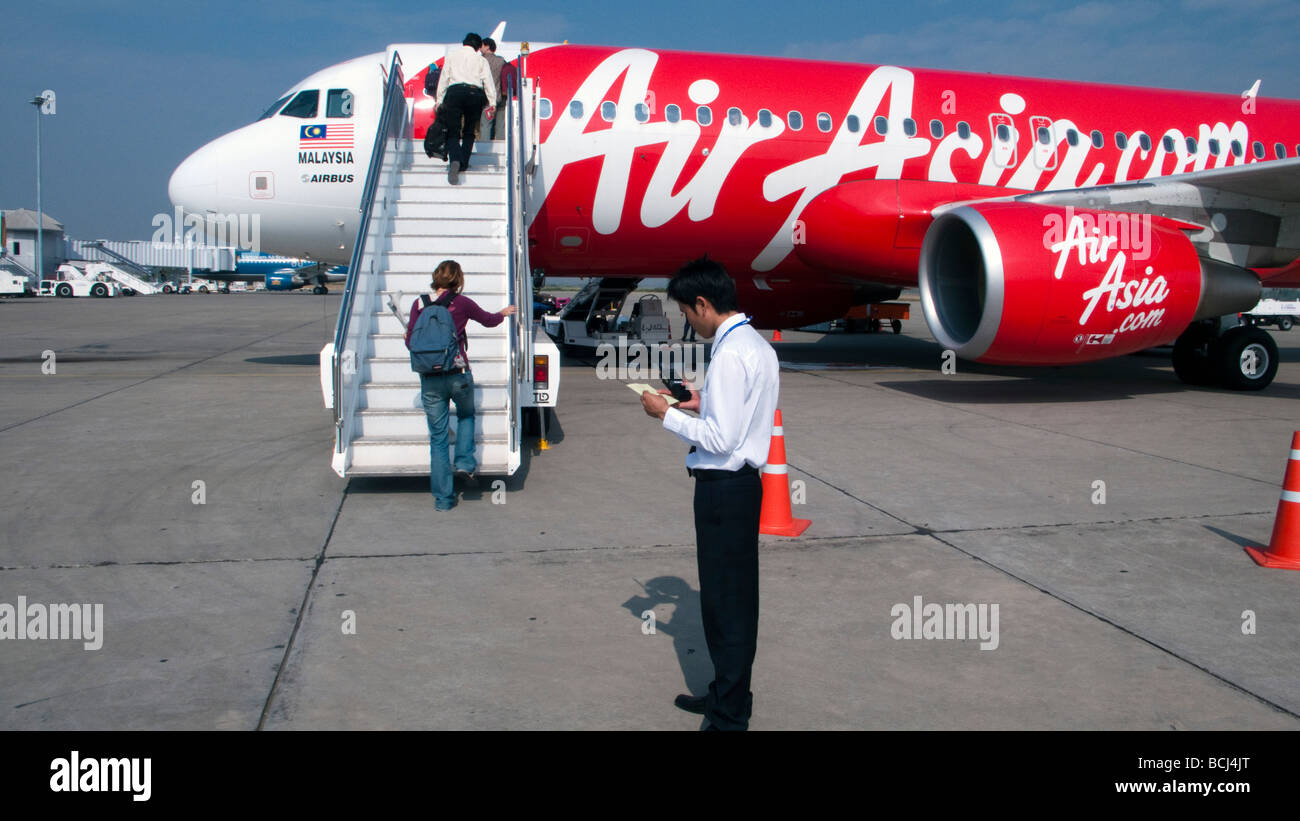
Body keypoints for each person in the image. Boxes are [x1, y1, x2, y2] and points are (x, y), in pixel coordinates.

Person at [639, 257, 779, 731]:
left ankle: (729, 715)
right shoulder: (755, 345)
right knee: (730, 600)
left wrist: (666, 413)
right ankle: (726, 692)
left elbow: (720, 439)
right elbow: (738, 417)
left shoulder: (728, 354)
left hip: (724, 490)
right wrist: (701, 402)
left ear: (703, 303)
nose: (687, 321)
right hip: (740, 488)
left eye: (686, 311)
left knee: (727, 606)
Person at [405, 259, 517, 510]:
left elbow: (411, 343)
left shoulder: (419, 304)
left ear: (435, 278)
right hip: (458, 373)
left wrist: (406, 337)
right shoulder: (461, 303)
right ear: (458, 279)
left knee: (438, 439)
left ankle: (443, 500)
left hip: (430, 380)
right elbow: (488, 320)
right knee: (466, 415)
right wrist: (503, 313)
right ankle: (465, 463)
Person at [434, 33, 498, 180]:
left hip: (454, 92)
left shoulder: (451, 56)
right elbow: (488, 81)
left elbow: (444, 78)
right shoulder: (481, 60)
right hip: (475, 94)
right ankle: (464, 162)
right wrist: (492, 103)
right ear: (477, 47)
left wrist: (439, 100)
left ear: (464, 43)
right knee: (469, 130)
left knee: (453, 131)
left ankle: (455, 160)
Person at [478, 38, 508, 140]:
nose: (480, 48)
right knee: (501, 126)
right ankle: (501, 148)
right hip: (501, 98)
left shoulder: (481, 61)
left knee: (486, 125)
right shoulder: (501, 61)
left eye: (481, 46)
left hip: (488, 99)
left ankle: (486, 150)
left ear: (487, 47)